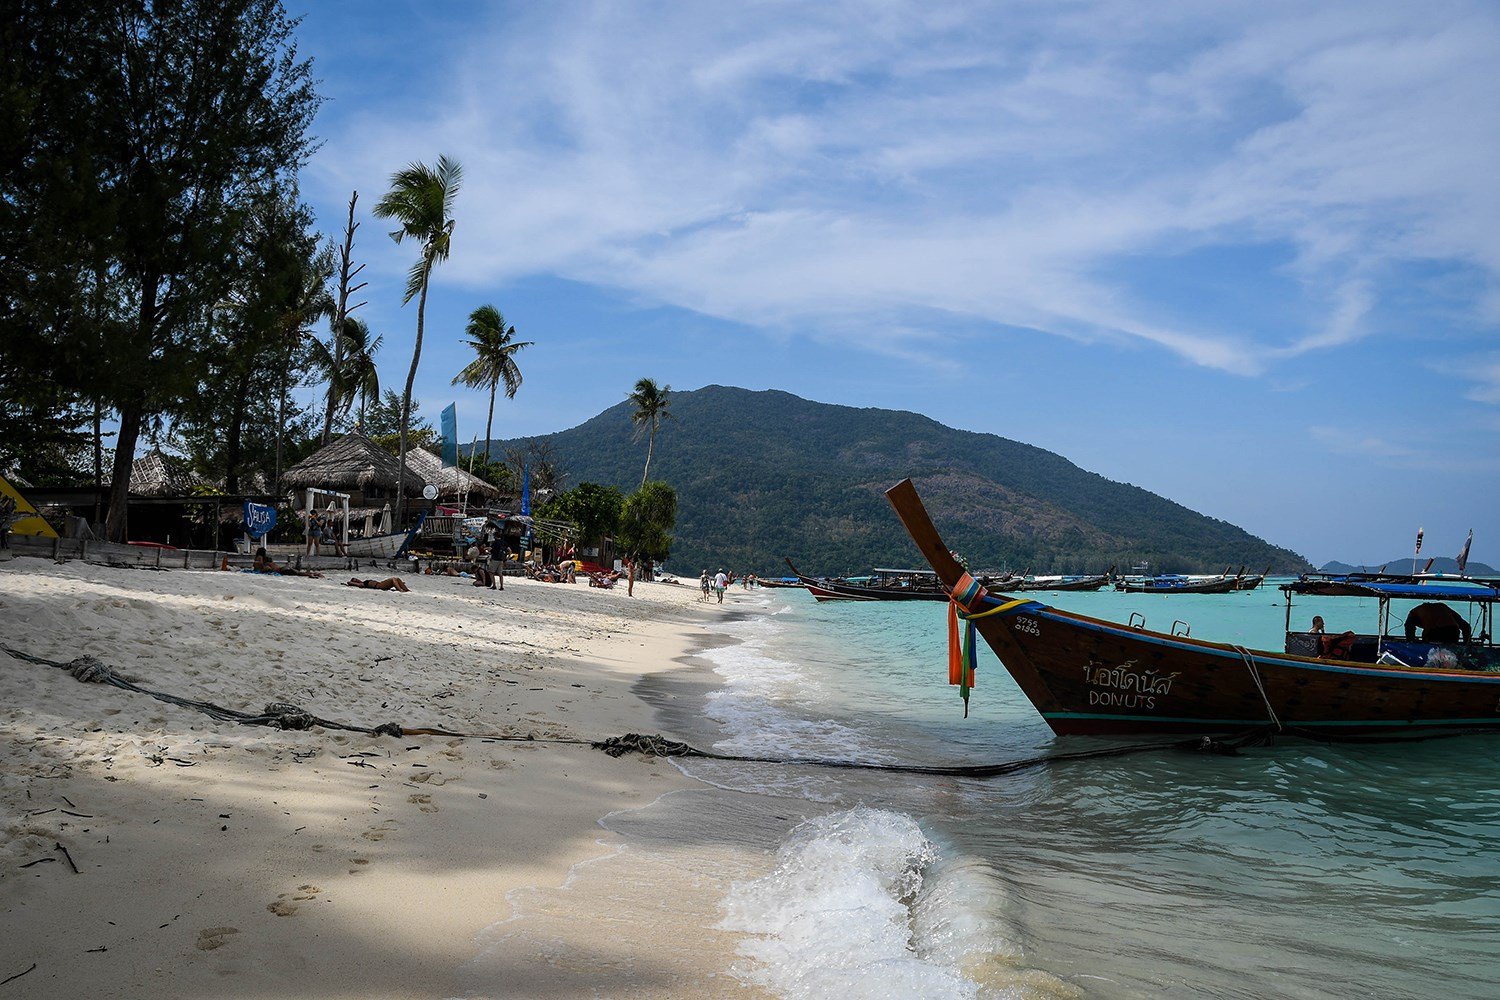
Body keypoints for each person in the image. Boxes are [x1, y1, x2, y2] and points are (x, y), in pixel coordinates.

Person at [1404, 602, 1471, 644]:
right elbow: (1466, 626)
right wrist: (1466, 644)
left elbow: (1408, 626)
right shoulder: (1443, 607)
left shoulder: (1414, 612)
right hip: (1453, 632)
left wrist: (1411, 643)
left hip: (1434, 632)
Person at [344, 577, 410, 592]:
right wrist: (352, 583)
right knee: (393, 579)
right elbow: (349, 583)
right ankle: (400, 589)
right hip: (379, 586)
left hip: (380, 583)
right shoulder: (362, 584)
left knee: (397, 579)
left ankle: (406, 589)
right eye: (355, 580)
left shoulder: (364, 582)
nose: (357, 579)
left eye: (356, 579)